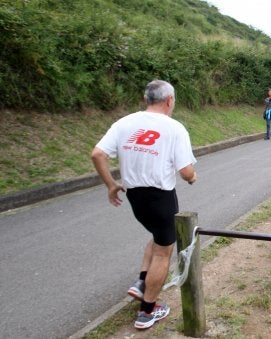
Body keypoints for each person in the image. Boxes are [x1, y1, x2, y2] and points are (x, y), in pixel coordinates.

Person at [91, 80, 197, 330]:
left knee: (159, 236)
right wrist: (193, 177)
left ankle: (141, 283)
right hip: (160, 197)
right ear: (169, 100)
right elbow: (185, 171)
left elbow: (97, 154)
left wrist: (111, 184)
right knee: (164, 250)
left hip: (134, 196)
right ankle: (147, 311)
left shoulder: (124, 123)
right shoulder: (174, 128)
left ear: (146, 98)